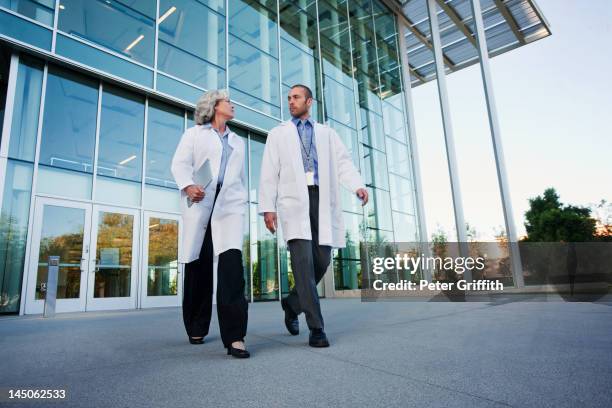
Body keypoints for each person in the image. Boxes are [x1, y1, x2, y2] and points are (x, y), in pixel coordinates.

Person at [258, 84, 368, 347]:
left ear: (310, 101)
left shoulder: (327, 134)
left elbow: (343, 162)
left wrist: (357, 185)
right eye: (288, 98)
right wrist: (268, 207)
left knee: (321, 261)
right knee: (303, 264)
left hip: (321, 199)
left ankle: (292, 303)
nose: (291, 102)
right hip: (293, 202)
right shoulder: (278, 134)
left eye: (296, 97)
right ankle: (317, 328)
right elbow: (268, 172)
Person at [171, 89, 249, 358]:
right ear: (215, 106)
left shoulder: (238, 141)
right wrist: (188, 185)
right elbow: (179, 164)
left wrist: (242, 201)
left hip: (228, 208)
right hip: (202, 203)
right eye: (228, 101)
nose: (232, 104)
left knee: (231, 271)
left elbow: (239, 178)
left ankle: (235, 337)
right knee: (198, 267)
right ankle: (196, 325)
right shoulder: (194, 134)